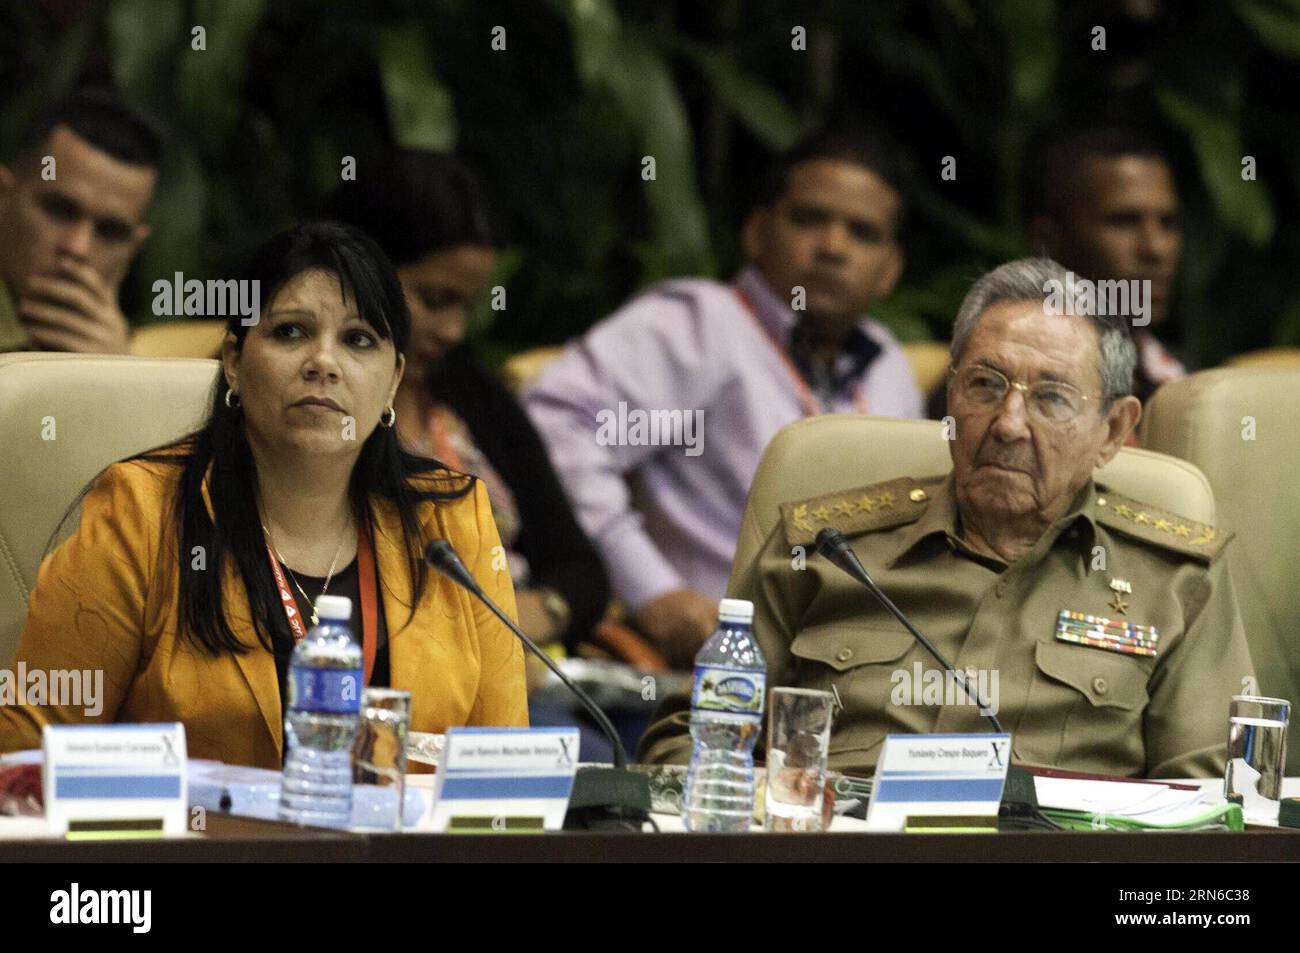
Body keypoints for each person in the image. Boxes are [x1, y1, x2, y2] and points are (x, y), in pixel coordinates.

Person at [640, 258, 1253, 779]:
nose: (1009, 424)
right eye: (986, 385)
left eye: (1051, 399)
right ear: (951, 396)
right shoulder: (826, 548)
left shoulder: (1174, 579)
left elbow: (1209, 807)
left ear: (1113, 431)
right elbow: (695, 738)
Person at [0, 221, 527, 769]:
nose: (323, 361)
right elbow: (29, 760)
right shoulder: (141, 513)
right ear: (234, 360)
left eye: (358, 339)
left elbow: (503, 776)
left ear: (393, 380)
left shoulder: (450, 521)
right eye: (291, 332)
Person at [524, 127, 923, 669]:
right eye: (808, 219)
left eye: (862, 233)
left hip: (854, 669)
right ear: (757, 232)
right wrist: (652, 590)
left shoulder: (889, 366)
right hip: (710, 669)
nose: (833, 246)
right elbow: (555, 430)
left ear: (890, 269)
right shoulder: (696, 326)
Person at [323, 149, 610, 654]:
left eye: (467, 306)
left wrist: (537, 613)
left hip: (523, 666)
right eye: (434, 300)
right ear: (358, 273)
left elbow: (579, 568)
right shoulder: (314, 397)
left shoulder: (468, 390)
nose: (454, 330)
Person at [1027, 125, 1187, 405]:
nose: (1156, 248)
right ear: (1048, 241)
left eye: (1168, 223)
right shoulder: (993, 388)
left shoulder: (1184, 383)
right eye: (1123, 221)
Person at [0, 88, 160, 353]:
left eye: (110, 232)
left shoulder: (124, 359)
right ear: (4, 195)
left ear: (133, 249)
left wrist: (119, 376)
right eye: (59, 211)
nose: (77, 248)